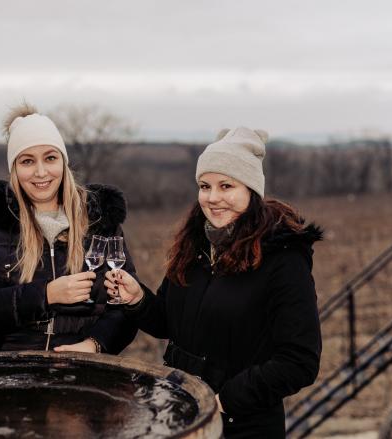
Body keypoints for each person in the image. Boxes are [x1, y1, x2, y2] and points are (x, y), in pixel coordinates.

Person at [105, 127, 322, 438]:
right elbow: (169, 323)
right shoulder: (194, 246)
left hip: (242, 426)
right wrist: (138, 299)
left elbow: (299, 361)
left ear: (251, 190)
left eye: (226, 186)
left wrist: (226, 400)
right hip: (182, 415)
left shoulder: (283, 259)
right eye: (205, 186)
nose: (213, 198)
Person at [0, 103, 137, 354]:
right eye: (27, 161)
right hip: (5, 364)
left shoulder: (100, 221)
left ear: (63, 162)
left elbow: (126, 306)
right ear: (14, 169)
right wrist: (46, 295)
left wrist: (94, 345)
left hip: (81, 365)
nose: (41, 172)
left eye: (50, 158)